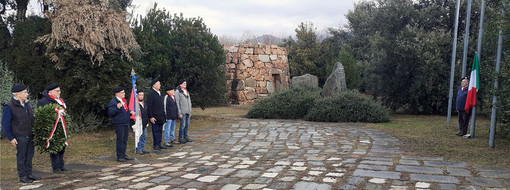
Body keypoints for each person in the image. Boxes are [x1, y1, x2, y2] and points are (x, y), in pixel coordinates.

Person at [1, 84, 40, 183]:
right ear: (18, 94)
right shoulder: (9, 106)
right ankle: (23, 176)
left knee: (29, 155)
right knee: (21, 157)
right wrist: (10, 138)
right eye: (25, 92)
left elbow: (31, 118)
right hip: (19, 136)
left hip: (30, 134)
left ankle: (29, 173)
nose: (27, 94)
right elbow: (5, 124)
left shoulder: (26, 104)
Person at [36, 83, 68, 173]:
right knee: (54, 148)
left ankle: (61, 165)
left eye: (59, 90)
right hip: (51, 129)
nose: (59, 92)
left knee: (62, 147)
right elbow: (41, 115)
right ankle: (56, 167)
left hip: (61, 127)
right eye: (57, 91)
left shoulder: (60, 101)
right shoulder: (44, 101)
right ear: (51, 92)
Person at [108, 86, 135, 162]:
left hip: (125, 122)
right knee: (120, 139)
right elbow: (110, 113)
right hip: (119, 123)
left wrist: (130, 113)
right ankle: (119, 156)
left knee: (125, 139)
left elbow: (125, 111)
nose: (124, 93)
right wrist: (117, 107)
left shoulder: (124, 101)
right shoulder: (113, 102)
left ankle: (123, 154)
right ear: (117, 94)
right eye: (122, 92)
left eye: (124, 92)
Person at [146, 78, 167, 150]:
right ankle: (156, 145)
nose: (159, 85)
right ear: (154, 85)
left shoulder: (159, 92)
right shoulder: (151, 93)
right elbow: (149, 106)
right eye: (158, 84)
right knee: (155, 131)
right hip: (154, 115)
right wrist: (151, 116)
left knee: (160, 130)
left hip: (160, 115)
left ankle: (159, 143)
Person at [175, 79, 193, 144]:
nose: (185, 84)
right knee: (182, 125)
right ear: (180, 84)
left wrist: (190, 110)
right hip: (182, 111)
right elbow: (177, 102)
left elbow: (189, 101)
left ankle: (186, 136)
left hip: (188, 111)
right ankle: (180, 137)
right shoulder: (177, 92)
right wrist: (179, 112)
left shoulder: (186, 91)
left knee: (187, 125)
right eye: (184, 83)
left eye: (185, 83)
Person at [135, 90, 150, 155]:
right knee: (139, 135)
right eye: (140, 95)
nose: (141, 96)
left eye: (142, 95)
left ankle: (142, 147)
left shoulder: (144, 103)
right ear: (137, 95)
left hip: (144, 122)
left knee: (144, 136)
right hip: (139, 123)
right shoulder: (136, 104)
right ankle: (138, 148)